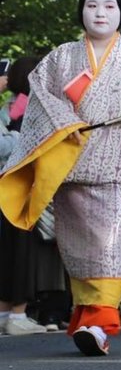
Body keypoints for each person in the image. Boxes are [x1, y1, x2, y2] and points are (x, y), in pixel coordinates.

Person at [0, 0, 121, 355]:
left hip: (120, 170)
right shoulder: (61, 58)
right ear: (81, 10)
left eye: (108, 6)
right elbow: (43, 99)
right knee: (79, 251)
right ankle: (87, 320)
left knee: (111, 247)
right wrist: (66, 123)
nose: (100, 12)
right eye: (92, 5)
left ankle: (100, 324)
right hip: (73, 168)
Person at [0, 55, 50, 336]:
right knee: (21, 251)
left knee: (6, 250)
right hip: (21, 186)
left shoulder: (10, 107)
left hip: (4, 186)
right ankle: (18, 314)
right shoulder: (34, 109)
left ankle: (4, 310)